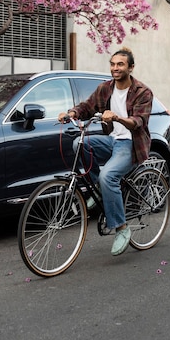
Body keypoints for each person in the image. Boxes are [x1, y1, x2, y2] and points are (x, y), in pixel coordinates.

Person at [58, 47, 153, 256]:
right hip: (113, 140)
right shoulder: (105, 88)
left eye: (120, 64)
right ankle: (99, 189)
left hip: (131, 144)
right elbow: (87, 106)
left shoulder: (142, 92)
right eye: (112, 64)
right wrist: (72, 113)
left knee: (108, 175)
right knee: (79, 145)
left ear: (131, 67)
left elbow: (139, 122)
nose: (115, 68)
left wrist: (118, 118)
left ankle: (121, 227)